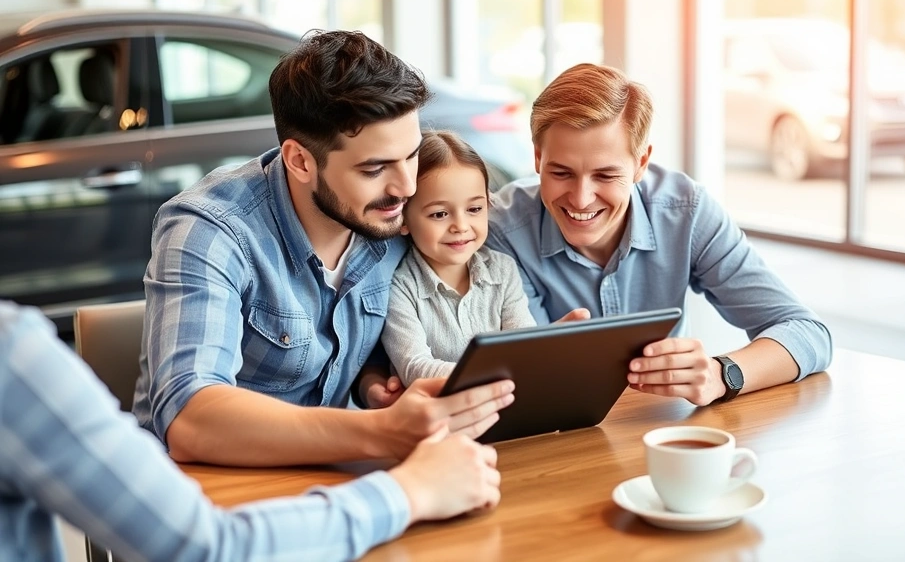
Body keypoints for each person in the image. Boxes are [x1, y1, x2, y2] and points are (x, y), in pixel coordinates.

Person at [132, 30, 517, 467]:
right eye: (374, 169)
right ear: (299, 161)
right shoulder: (210, 231)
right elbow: (191, 419)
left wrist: (372, 382)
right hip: (209, 490)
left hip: (330, 477)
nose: (406, 187)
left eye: (410, 156)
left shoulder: (391, 215)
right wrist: (381, 432)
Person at [0, 301, 501, 562]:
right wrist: (409, 490)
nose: (403, 185)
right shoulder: (12, 356)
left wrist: (372, 381)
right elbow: (204, 549)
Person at [486, 63, 833, 407]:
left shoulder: (686, 212)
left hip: (662, 430)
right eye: (561, 173)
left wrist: (719, 374)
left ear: (640, 163)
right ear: (537, 158)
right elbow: (524, 381)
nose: (580, 198)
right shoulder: (500, 230)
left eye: (606, 176)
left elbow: (807, 333)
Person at [381, 130, 536, 386]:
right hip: (438, 417)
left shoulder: (503, 270)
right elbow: (414, 367)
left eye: (474, 209)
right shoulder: (399, 286)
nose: (461, 226)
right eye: (440, 214)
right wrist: (495, 374)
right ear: (403, 218)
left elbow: (524, 346)